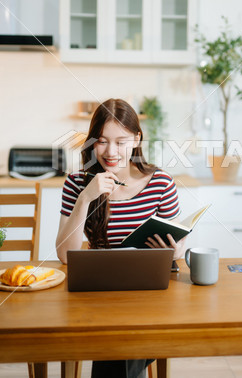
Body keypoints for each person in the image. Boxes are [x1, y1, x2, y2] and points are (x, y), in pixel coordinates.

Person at [56, 98, 186, 378]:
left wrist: (174, 250)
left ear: (137, 139)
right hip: (98, 294)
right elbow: (64, 255)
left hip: (149, 293)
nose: (111, 151)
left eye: (121, 141)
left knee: (125, 336)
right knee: (122, 338)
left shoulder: (160, 183)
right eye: (102, 141)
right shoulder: (77, 184)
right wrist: (86, 197)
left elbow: (179, 246)